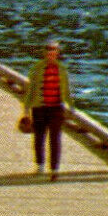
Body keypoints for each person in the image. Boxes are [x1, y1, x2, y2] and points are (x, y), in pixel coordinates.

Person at [22, 40, 73, 180]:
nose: (51, 52)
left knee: (55, 139)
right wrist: (26, 109)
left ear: (57, 52)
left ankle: (54, 169)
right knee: (39, 137)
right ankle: (39, 164)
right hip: (40, 107)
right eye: (48, 49)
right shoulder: (37, 68)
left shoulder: (62, 69)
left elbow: (67, 90)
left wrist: (70, 107)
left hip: (57, 108)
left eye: (54, 50)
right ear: (45, 52)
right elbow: (30, 90)